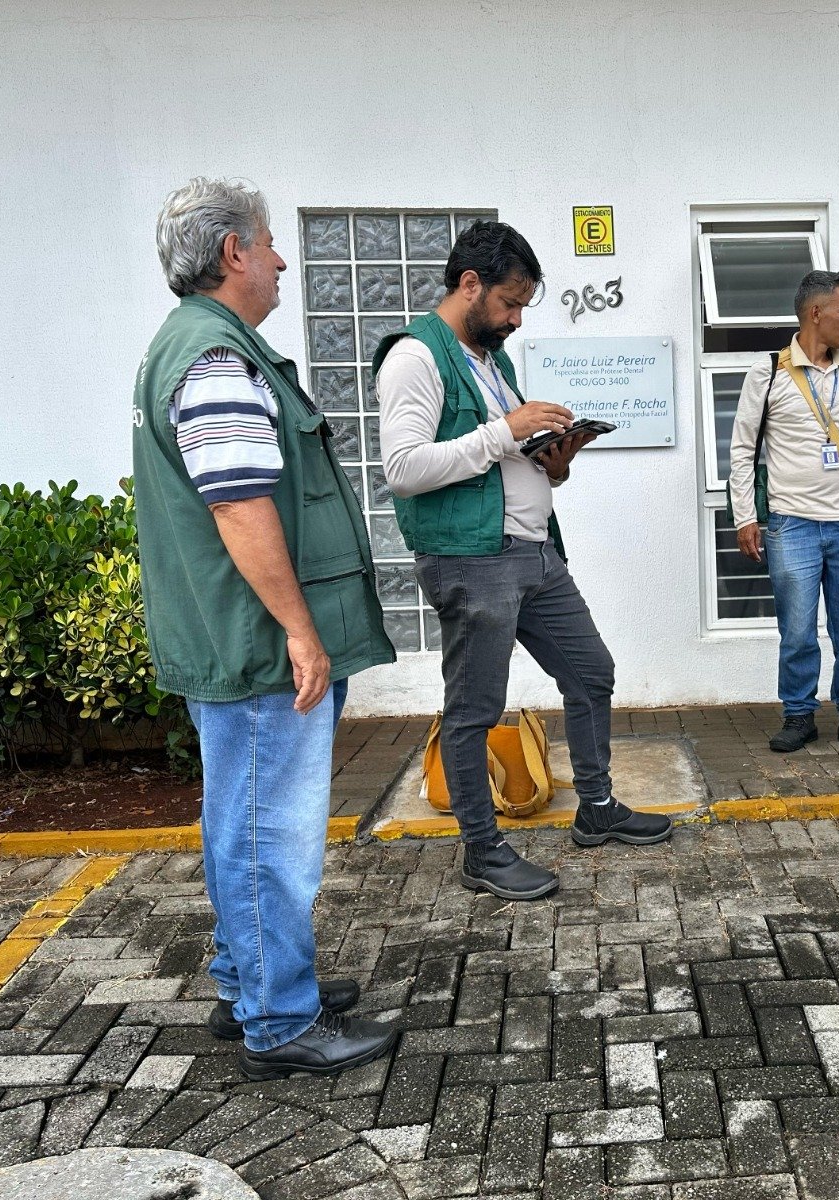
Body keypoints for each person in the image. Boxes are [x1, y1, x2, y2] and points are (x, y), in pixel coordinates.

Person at [133, 178, 398, 1079]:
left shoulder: (194, 344)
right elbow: (240, 504)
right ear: (233, 252)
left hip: (232, 638)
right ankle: (280, 1021)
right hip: (255, 645)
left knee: (236, 822)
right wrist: (300, 629)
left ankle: (247, 982)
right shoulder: (214, 357)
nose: (283, 260)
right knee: (268, 836)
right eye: (270, 241)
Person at [377, 221, 670, 903]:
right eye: (510, 302)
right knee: (474, 709)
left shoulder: (491, 362)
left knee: (591, 671)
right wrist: (505, 430)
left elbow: (506, 461)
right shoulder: (415, 358)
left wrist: (553, 463)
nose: (515, 319)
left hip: (535, 553)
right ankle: (483, 852)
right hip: (472, 559)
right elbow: (404, 469)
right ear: (469, 284)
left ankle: (597, 809)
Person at [729, 270, 839, 758]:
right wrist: (745, 517)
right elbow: (742, 451)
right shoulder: (767, 372)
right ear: (815, 313)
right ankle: (798, 715)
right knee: (798, 631)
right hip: (792, 525)